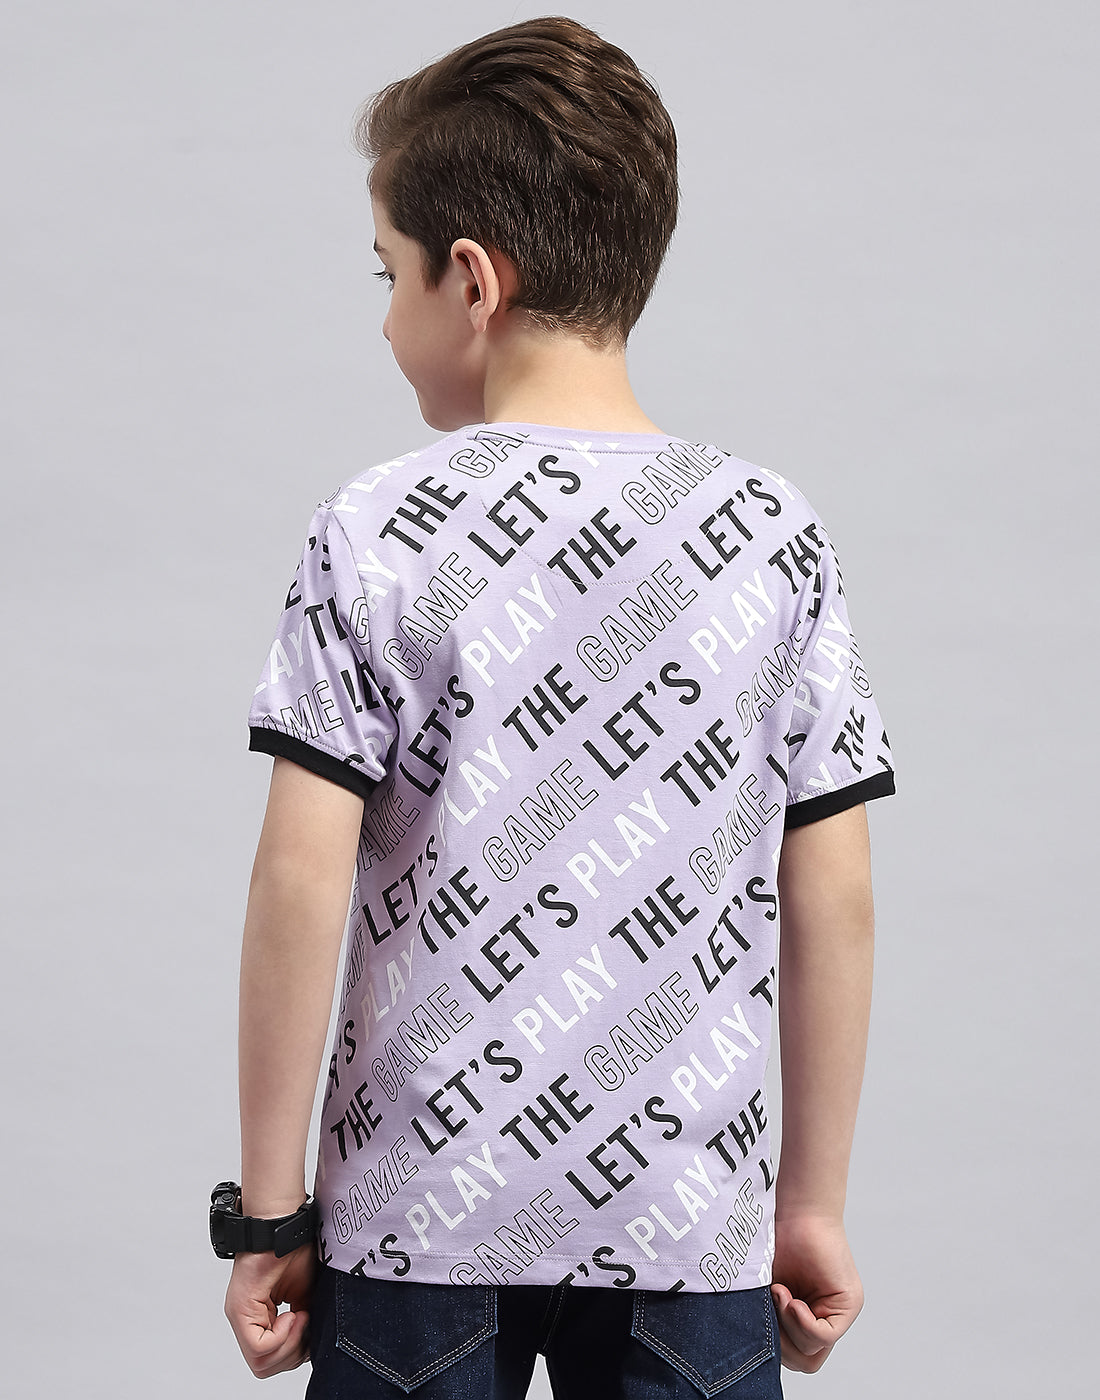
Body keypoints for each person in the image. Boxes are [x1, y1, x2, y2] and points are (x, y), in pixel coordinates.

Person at [217, 15, 896, 1398]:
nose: (385, 315)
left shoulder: (377, 528)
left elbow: (299, 878)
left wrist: (270, 1213)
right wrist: (810, 1203)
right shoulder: (773, 533)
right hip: (688, 1221)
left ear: (472, 280)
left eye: (390, 272)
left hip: (416, 1219)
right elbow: (833, 887)